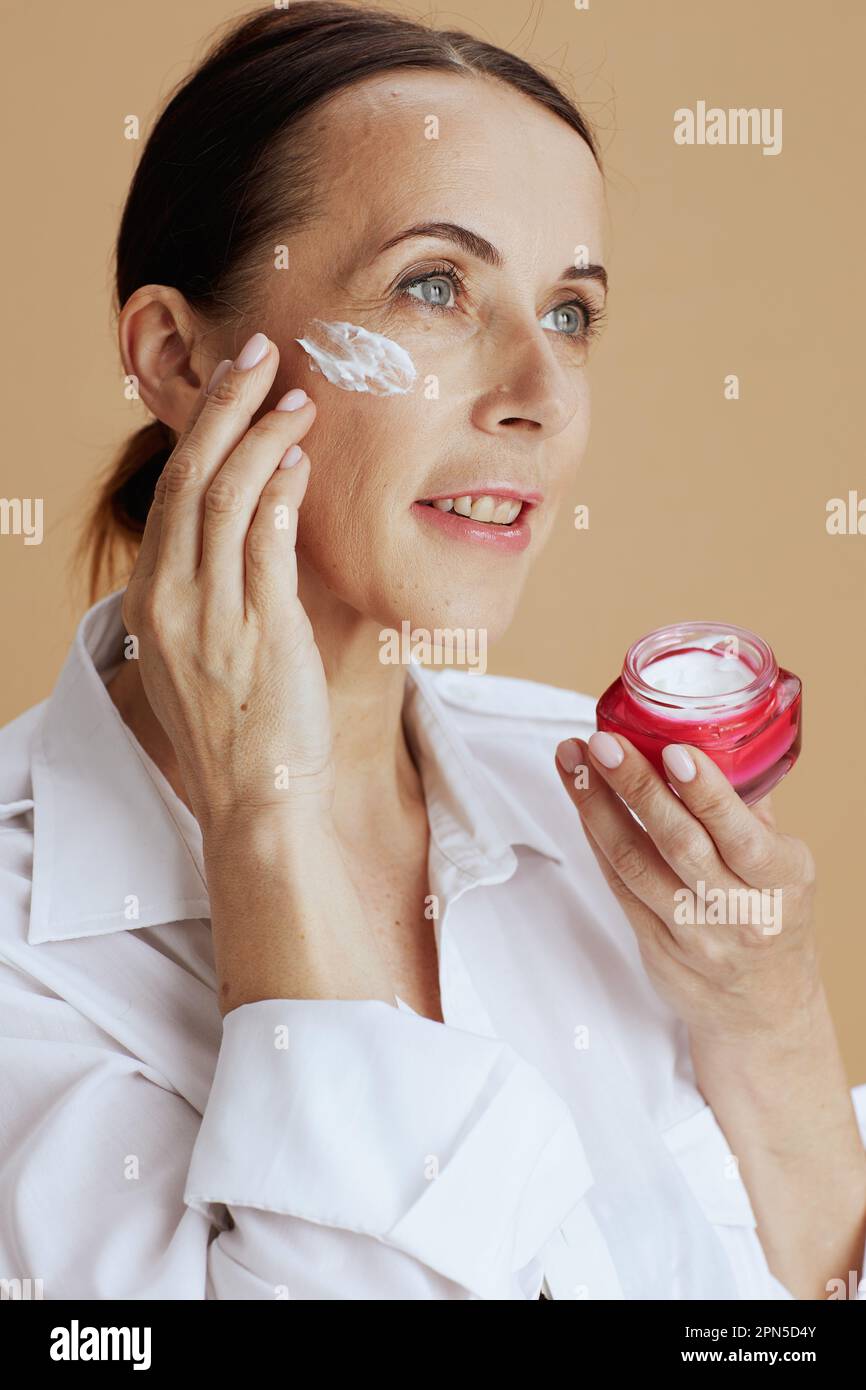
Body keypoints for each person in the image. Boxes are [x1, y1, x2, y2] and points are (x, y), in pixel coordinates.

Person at [1, 2, 864, 1301]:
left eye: (569, 311)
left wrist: (775, 1029)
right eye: (434, 286)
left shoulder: (590, 806)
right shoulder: (25, 955)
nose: (539, 391)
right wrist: (269, 831)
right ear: (176, 358)